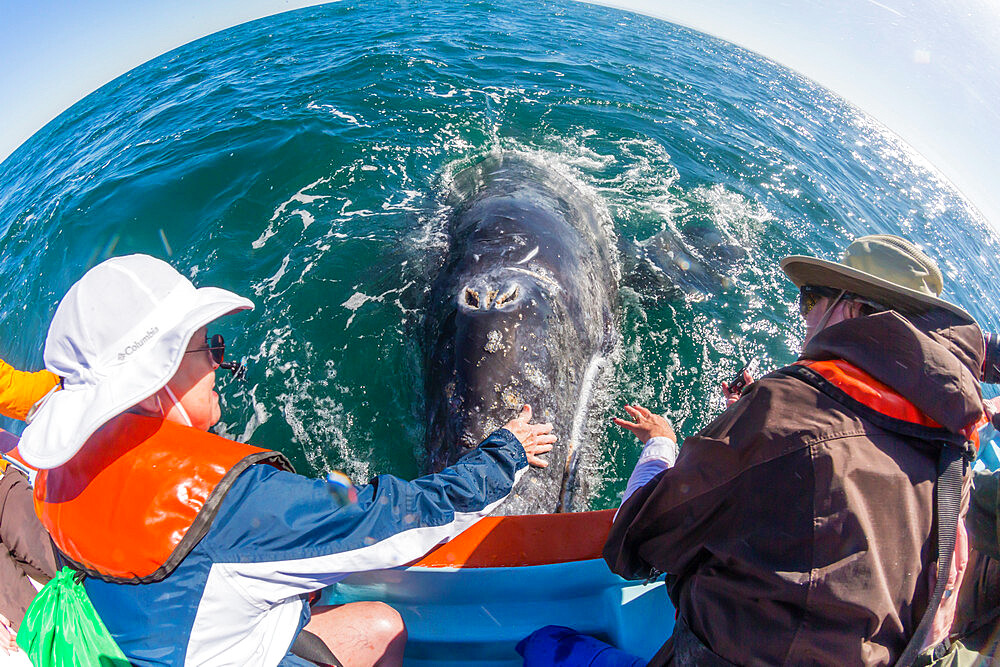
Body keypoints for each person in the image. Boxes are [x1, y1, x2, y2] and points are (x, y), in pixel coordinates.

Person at [15, 254, 555, 666]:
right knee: (382, 624)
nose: (224, 363)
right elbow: (393, 522)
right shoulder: (222, 503)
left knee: (342, 609)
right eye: (211, 348)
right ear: (155, 383)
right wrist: (504, 453)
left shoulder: (60, 474)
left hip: (161, 645)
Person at [605, 234, 985, 665]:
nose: (804, 317)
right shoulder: (955, 450)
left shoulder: (789, 409)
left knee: (547, 645)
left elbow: (636, 539)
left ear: (854, 310)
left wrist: (662, 442)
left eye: (811, 300)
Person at [0, 356, 59, 637]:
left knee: (57, 562)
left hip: (2, 488)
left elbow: (21, 391)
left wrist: (66, 382)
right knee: (32, 624)